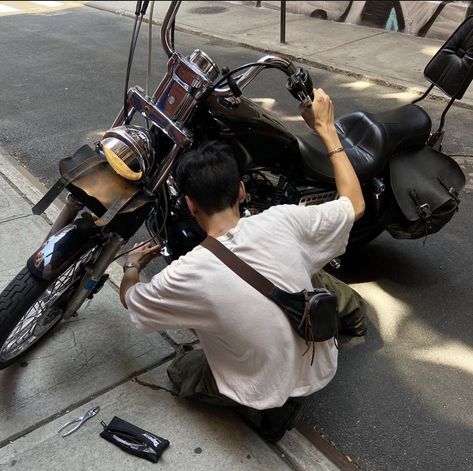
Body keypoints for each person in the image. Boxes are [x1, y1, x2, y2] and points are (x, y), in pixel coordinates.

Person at [119, 89, 366, 442]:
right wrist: (327, 130)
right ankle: (355, 316)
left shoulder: (184, 275)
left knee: (181, 369)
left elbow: (132, 301)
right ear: (241, 191)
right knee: (311, 266)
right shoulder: (284, 220)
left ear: (190, 205)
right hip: (322, 358)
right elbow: (353, 204)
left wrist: (131, 267)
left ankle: (272, 406)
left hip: (264, 386)